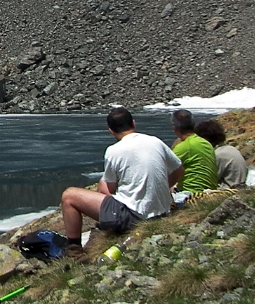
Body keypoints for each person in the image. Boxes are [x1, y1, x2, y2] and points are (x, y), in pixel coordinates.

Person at [61, 107, 184, 252]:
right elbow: (179, 170)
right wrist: (162, 187)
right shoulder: (155, 141)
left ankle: (74, 250)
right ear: (133, 123)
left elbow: (109, 189)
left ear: (111, 131)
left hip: (133, 216)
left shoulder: (114, 150)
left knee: (69, 196)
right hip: (162, 211)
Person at [170, 109, 218, 193]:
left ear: (175, 128)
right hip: (210, 192)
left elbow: (163, 170)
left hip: (191, 194)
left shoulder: (183, 147)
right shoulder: (206, 143)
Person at [195, 118, 249, 188]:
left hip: (230, 190)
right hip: (240, 187)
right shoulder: (230, 149)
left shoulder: (218, 155)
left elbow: (208, 180)